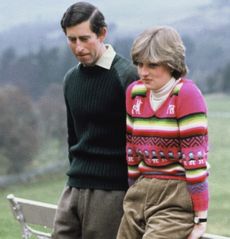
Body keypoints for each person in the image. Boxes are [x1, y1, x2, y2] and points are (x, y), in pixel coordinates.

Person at [52, 2, 138, 239]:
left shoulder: (128, 76)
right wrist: (75, 178)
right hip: (74, 186)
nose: (78, 47)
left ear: (102, 33)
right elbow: (73, 136)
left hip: (112, 192)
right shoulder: (70, 80)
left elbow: (142, 139)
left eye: (84, 38)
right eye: (71, 40)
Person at [116, 26, 209, 239]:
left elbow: (195, 160)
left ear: (172, 63)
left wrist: (200, 218)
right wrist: (134, 190)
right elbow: (131, 148)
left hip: (175, 194)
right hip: (141, 189)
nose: (143, 72)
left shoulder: (186, 94)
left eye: (152, 65)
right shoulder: (135, 93)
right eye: (139, 64)